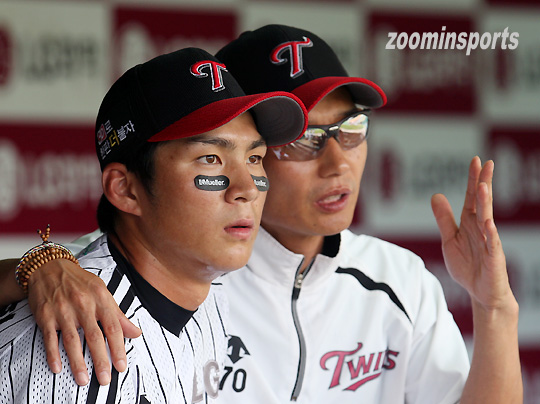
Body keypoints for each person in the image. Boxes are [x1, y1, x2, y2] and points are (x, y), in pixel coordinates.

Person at [0, 25, 522, 403]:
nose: (337, 163)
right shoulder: (161, 279)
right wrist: (41, 264)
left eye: (352, 129)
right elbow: (87, 270)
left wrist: (494, 307)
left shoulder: (395, 278)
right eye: (303, 139)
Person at [0, 46, 308, 403]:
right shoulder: (82, 351)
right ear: (125, 189)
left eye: (254, 157)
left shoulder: (208, 290)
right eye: (210, 158)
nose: (248, 188)